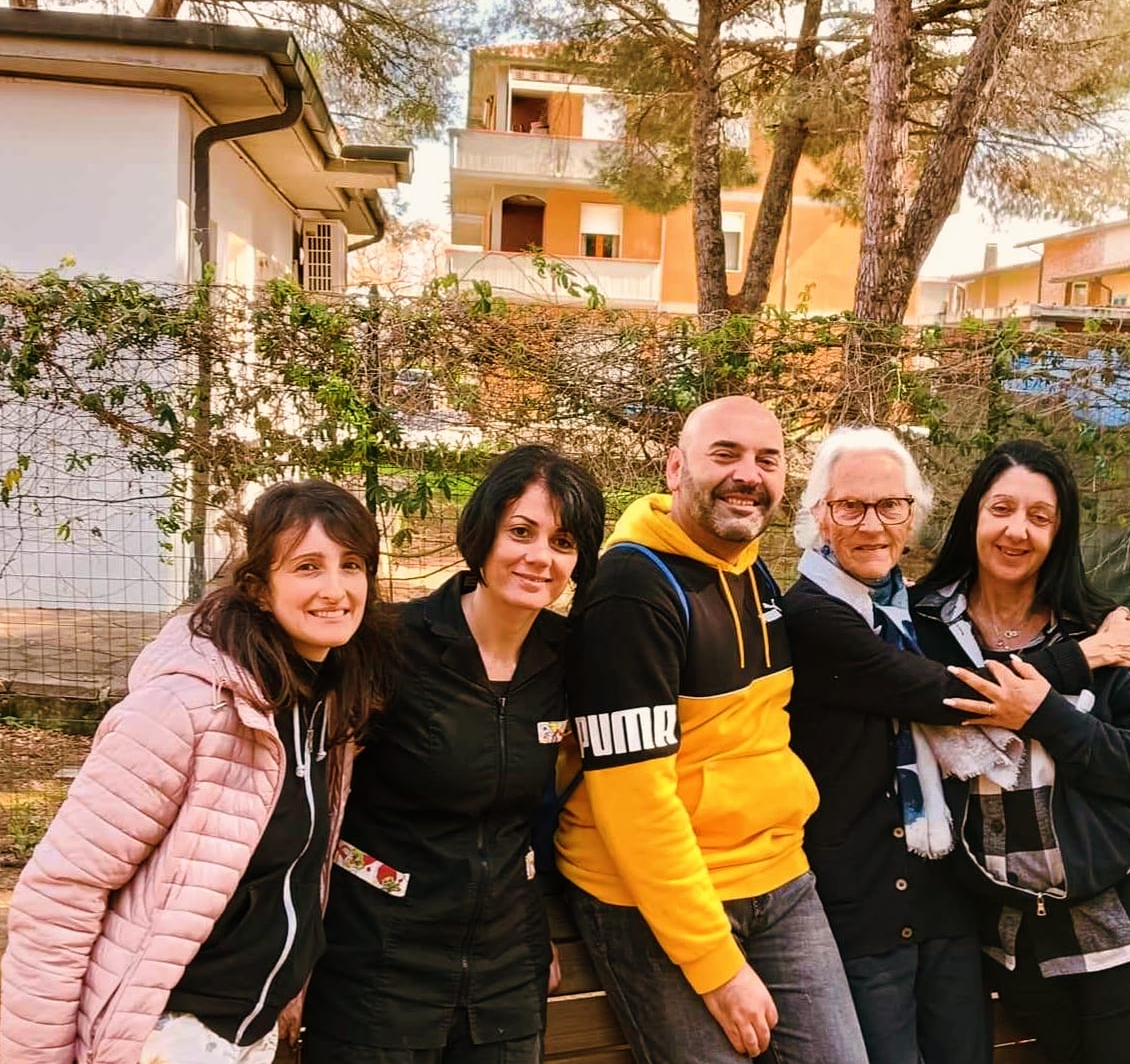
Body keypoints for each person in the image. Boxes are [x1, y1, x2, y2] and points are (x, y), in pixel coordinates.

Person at [783, 427, 1130, 1064]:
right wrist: (1088, 655)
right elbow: (941, 692)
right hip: (864, 911)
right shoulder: (815, 615)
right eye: (850, 506)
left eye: (891, 506)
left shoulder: (910, 610)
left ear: (914, 515)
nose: (872, 524)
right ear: (819, 515)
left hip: (949, 905)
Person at [0, 479, 392, 1064]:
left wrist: (288, 984)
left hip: (245, 1030)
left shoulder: (326, 703)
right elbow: (62, 893)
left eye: (351, 565)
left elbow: (287, 875)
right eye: (307, 566)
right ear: (259, 590)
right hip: (165, 1031)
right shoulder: (184, 709)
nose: (335, 589)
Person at [556, 395, 868, 1064]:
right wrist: (716, 967)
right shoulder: (631, 592)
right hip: (651, 895)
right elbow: (633, 803)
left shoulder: (749, 565)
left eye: (766, 459)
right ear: (675, 469)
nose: (747, 474)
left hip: (777, 877)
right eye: (724, 454)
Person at [301, 444, 606, 1064]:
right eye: (521, 531)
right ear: (483, 532)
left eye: (563, 542)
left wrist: (533, 923)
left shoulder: (569, 657)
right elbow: (303, 799)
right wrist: (290, 953)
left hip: (505, 976)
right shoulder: (385, 644)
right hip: (377, 965)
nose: (539, 556)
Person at [910, 439, 1130, 1064]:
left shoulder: (1101, 630)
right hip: (1015, 945)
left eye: (1039, 518)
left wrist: (1047, 717)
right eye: (1002, 509)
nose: (1017, 530)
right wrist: (1071, 670)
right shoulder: (920, 626)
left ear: (1059, 534)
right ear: (974, 518)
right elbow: (945, 701)